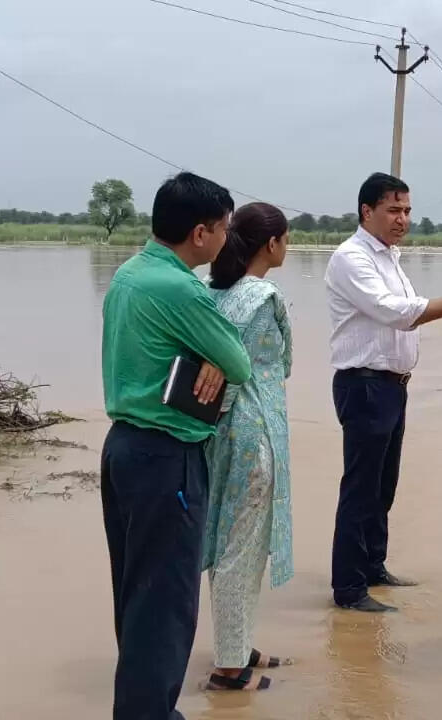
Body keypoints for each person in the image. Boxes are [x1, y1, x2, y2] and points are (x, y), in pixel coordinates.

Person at [99, 172, 253, 720]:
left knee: (137, 593)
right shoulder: (180, 288)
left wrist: (208, 355)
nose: (226, 239)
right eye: (223, 229)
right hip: (166, 457)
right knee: (164, 602)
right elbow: (240, 361)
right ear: (200, 233)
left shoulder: (130, 274)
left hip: (124, 449)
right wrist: (216, 357)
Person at [326, 172, 442, 612]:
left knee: (383, 486)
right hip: (364, 385)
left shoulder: (390, 258)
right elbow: (395, 312)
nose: (402, 219)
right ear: (367, 211)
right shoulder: (352, 258)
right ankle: (348, 588)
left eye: (407, 210)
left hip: (391, 386)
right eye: (393, 210)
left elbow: (404, 312)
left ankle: (372, 565)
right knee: (361, 488)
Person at [202, 202, 295, 692]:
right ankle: (229, 668)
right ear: (272, 244)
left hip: (217, 434)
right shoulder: (262, 298)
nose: (287, 247)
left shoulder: (210, 291)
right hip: (254, 435)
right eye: (286, 239)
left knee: (228, 541)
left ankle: (237, 645)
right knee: (242, 548)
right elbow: (281, 363)